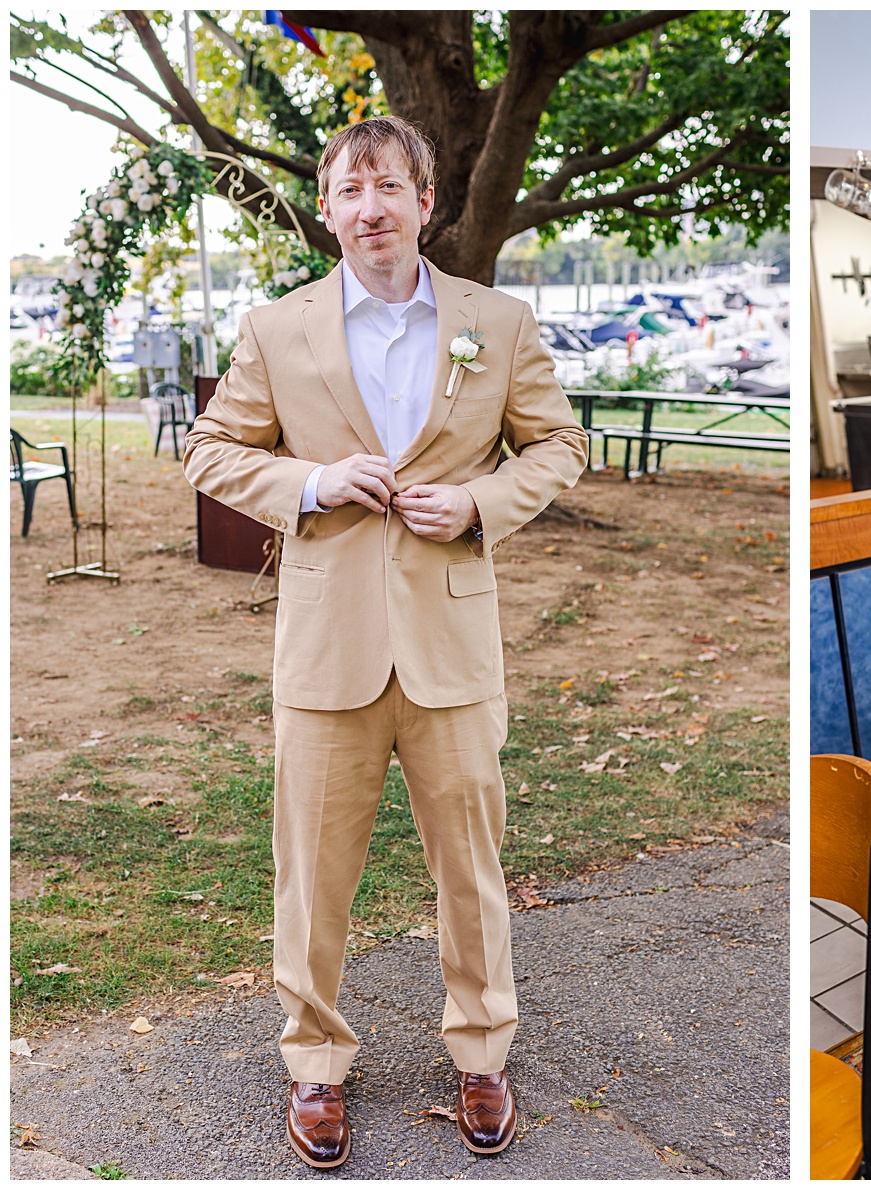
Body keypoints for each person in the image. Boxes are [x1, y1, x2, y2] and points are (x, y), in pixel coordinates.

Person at [183, 115, 589, 1169]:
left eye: (389, 188)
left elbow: (559, 444)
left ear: (426, 200)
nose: (370, 209)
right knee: (311, 874)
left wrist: (480, 502)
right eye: (349, 191)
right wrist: (309, 484)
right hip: (328, 650)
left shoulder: (494, 321)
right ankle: (314, 1063)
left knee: (473, 865)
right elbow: (214, 452)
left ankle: (483, 1048)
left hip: (452, 645)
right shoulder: (277, 328)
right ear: (327, 209)